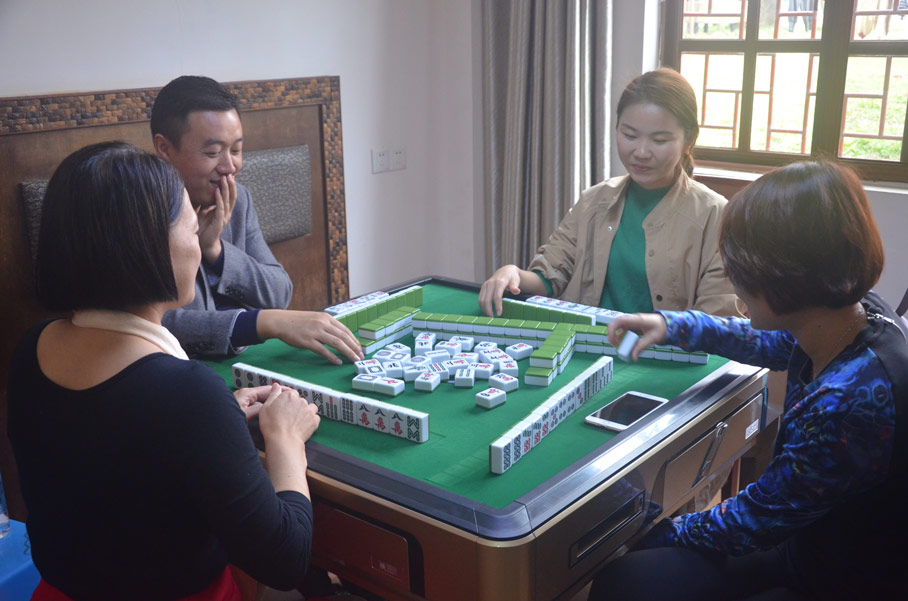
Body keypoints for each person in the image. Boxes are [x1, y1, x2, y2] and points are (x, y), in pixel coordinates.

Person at [8, 142, 320, 601]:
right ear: (148, 248)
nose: (198, 247)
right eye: (192, 231)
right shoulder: (186, 394)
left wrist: (214, 421)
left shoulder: (32, 347)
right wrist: (286, 440)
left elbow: (113, 450)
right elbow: (285, 560)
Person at [588, 161, 907, 601]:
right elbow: (768, 342)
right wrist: (672, 324)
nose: (735, 283)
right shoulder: (851, 312)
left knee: (628, 576)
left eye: (741, 271)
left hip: (839, 577)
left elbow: (751, 521)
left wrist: (650, 533)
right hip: (806, 537)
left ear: (789, 278)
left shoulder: (848, 403)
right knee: (629, 578)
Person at [479, 68, 736, 319]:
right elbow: (551, 275)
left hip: (665, 348)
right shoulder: (593, 201)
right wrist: (513, 274)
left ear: (689, 139)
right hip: (587, 343)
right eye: (629, 135)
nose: (641, 152)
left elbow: (718, 318)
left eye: (659, 140)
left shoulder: (715, 215)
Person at [151, 75, 362, 364]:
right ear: (164, 149)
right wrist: (261, 323)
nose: (229, 166)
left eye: (236, 150)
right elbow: (156, 324)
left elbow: (279, 293)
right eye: (212, 152)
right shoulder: (139, 213)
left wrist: (215, 251)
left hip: (247, 360)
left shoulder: (237, 201)